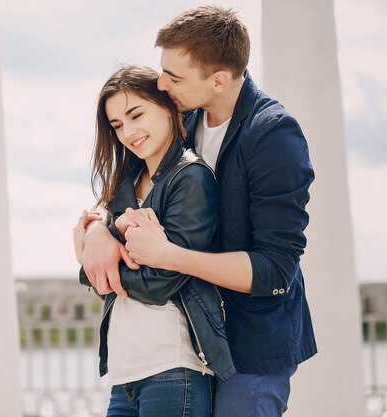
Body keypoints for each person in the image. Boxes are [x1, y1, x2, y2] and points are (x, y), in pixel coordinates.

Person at [76, 6, 316, 417]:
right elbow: (123, 192)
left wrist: (167, 256)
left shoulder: (274, 134)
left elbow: (277, 269)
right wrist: (98, 227)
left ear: (218, 80)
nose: (160, 82)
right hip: (190, 337)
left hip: (249, 345)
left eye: (174, 76)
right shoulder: (180, 114)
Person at [73, 65, 235, 417]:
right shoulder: (126, 183)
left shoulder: (191, 177)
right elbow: (106, 262)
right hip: (125, 373)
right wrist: (96, 232)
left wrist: (92, 270)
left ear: (166, 106)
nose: (129, 132)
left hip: (173, 368)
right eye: (117, 125)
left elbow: (160, 282)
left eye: (136, 115)